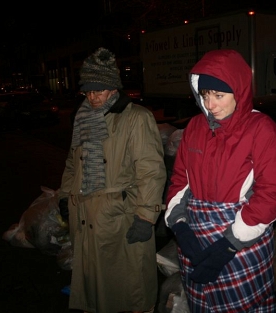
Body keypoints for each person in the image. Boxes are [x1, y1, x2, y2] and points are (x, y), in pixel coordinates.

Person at [164, 49, 276, 312]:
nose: (210, 105)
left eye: (219, 96)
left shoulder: (262, 130)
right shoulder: (195, 128)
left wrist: (230, 243)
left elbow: (273, 192)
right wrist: (179, 225)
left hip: (242, 240)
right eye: (205, 95)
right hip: (197, 234)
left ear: (239, 92)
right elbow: (179, 180)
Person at [58, 47, 166, 313]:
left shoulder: (136, 118)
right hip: (86, 217)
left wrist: (145, 216)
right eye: (88, 91)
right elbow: (74, 162)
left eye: (99, 90)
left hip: (120, 218)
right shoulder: (82, 117)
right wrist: (64, 196)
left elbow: (151, 170)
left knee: (131, 290)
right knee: (95, 293)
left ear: (113, 88)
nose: (93, 97)